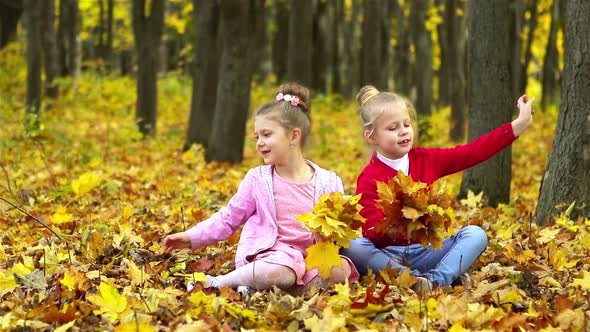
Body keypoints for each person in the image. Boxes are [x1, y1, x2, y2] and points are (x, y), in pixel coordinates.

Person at [162, 82, 359, 294]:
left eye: (266, 135)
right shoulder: (258, 180)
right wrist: (192, 237)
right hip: (273, 257)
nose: (259, 143)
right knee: (281, 273)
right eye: (257, 136)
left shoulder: (329, 182)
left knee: (341, 271)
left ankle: (263, 289)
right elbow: (228, 218)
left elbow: (341, 229)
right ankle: (218, 282)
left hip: (310, 259)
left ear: (294, 136)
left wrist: (329, 239)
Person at [341, 85, 535, 294]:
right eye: (393, 128)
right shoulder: (369, 178)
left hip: (428, 252)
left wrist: (518, 125)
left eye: (407, 124)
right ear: (371, 137)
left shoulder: (426, 160)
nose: (404, 130)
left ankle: (434, 281)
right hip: (388, 257)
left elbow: (471, 152)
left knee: (475, 235)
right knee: (353, 246)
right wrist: (399, 225)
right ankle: (412, 279)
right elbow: (371, 232)